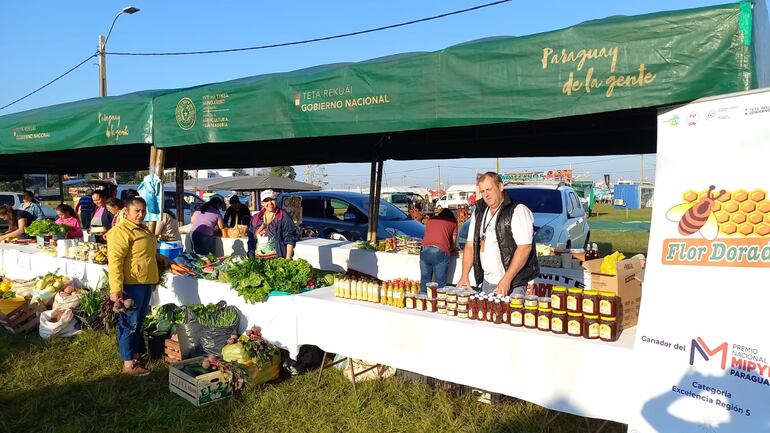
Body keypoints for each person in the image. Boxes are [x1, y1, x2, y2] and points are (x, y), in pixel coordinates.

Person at [106, 197, 174, 376]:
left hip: (144, 281)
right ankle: (128, 363)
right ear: (126, 212)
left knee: (139, 322)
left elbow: (147, 253)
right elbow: (115, 262)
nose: (141, 214)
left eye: (143, 210)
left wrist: (166, 261)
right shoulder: (120, 232)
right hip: (131, 283)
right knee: (129, 323)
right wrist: (115, 289)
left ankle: (136, 355)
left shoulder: (142, 229)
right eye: (137, 211)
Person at [457, 172, 539, 296]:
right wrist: (464, 275)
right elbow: (470, 245)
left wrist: (506, 279)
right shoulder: (479, 212)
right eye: (483, 191)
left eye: (489, 189)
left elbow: (524, 248)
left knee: (510, 315)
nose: (486, 195)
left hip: (512, 284)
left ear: (500, 187)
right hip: (486, 281)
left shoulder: (517, 210)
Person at [247, 190, 297, 259]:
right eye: (266, 201)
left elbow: (290, 240)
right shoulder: (256, 218)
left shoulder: (283, 216)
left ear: (276, 200)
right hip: (259, 261)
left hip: (278, 260)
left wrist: (287, 261)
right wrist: (251, 257)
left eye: (272, 200)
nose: (270, 203)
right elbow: (251, 240)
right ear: (262, 203)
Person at [419, 208, 458, 291]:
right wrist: (452, 249)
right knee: (440, 282)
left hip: (424, 249)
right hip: (440, 250)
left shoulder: (430, 220)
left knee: (425, 279)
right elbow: (453, 242)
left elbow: (429, 234)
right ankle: (438, 302)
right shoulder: (453, 223)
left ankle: (424, 299)